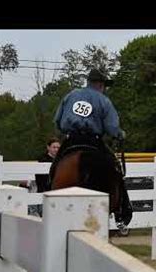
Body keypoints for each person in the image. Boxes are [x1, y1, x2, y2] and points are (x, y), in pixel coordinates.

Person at [51, 68, 132, 230]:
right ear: (101, 85)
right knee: (115, 168)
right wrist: (120, 135)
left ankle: (46, 200)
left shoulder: (71, 95)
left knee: (54, 168)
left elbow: (58, 121)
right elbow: (112, 127)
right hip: (93, 141)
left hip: (71, 139)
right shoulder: (104, 101)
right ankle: (122, 211)